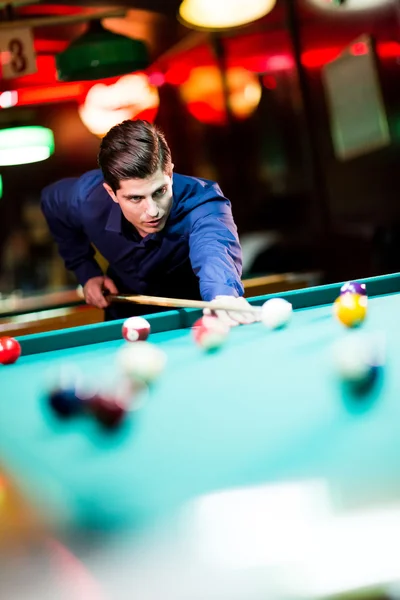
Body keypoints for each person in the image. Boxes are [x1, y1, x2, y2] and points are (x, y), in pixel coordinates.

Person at [41, 119, 255, 326]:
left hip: (196, 321)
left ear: (169, 173)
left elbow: (214, 247)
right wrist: (87, 272)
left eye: (160, 191)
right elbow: (51, 202)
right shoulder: (87, 199)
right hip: (125, 322)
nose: (153, 211)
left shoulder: (202, 202)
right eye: (136, 198)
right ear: (111, 192)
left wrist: (223, 294)